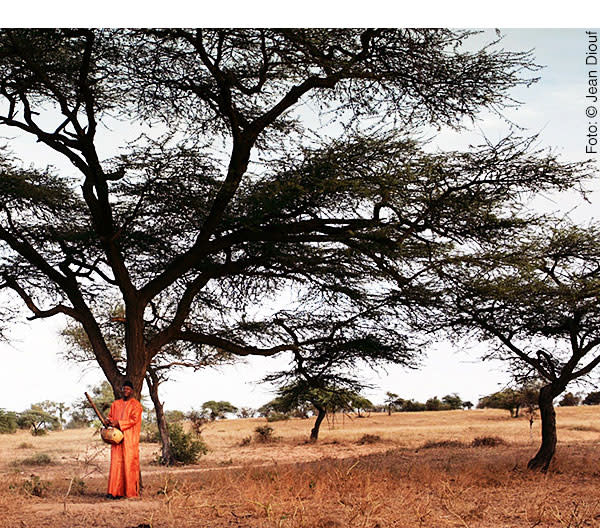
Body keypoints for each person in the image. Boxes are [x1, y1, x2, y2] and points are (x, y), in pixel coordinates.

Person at [105, 379, 143, 499]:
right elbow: (110, 417)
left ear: (131, 391)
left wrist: (119, 423)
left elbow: (134, 420)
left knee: (129, 465)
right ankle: (114, 492)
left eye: (128, 389)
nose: (125, 391)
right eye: (124, 389)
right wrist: (109, 421)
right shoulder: (115, 404)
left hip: (130, 440)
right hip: (116, 440)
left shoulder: (136, 405)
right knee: (116, 464)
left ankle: (130, 492)